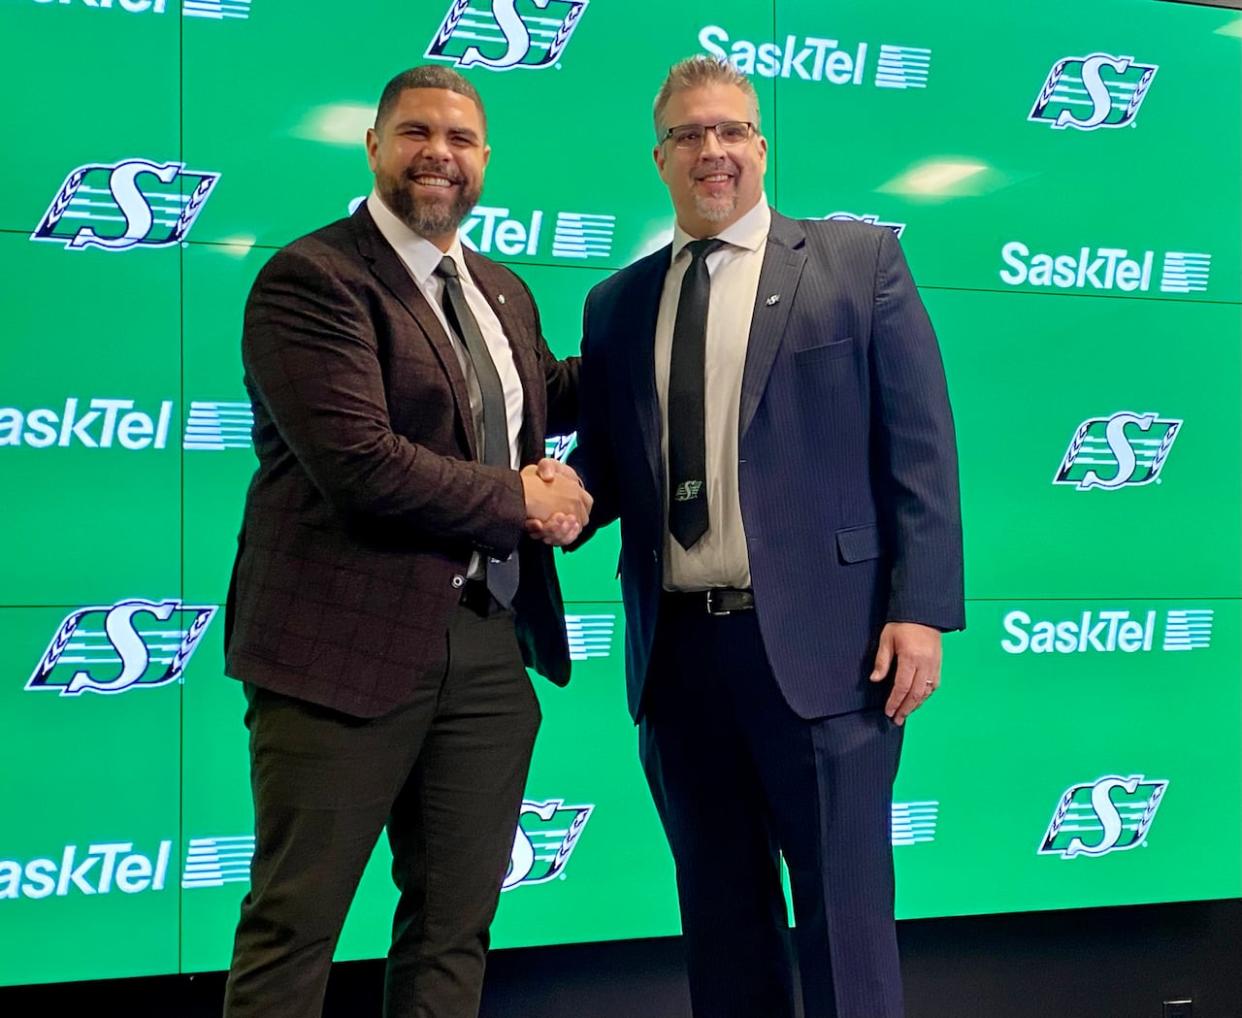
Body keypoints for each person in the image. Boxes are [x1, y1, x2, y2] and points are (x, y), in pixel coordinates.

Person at [567, 56, 964, 1018]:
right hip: (679, 661)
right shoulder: (616, 306)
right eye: (690, 135)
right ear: (659, 158)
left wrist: (920, 612)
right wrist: (545, 497)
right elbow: (610, 469)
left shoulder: (857, 263)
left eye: (732, 130)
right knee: (721, 925)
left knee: (846, 925)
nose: (714, 150)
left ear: (761, 146)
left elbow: (920, 445)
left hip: (831, 658)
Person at [220, 65, 590, 1018]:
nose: (441, 155)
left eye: (461, 140)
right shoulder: (313, 278)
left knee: (452, 929)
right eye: (418, 133)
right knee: (294, 932)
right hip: (338, 651)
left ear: (486, 161)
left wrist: (676, 317)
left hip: (485, 647)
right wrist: (523, 500)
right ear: (375, 146)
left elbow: (544, 396)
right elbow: (364, 464)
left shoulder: (500, 289)